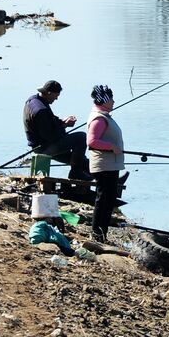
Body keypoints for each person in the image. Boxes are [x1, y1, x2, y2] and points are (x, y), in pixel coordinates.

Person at [23, 80, 90, 181]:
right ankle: (75, 173)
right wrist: (65, 125)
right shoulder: (41, 110)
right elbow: (50, 136)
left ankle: (109, 182)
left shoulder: (33, 100)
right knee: (81, 137)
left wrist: (62, 121)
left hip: (40, 145)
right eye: (56, 95)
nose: (57, 98)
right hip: (44, 147)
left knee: (80, 160)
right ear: (49, 93)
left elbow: (49, 121)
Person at [86, 84, 125, 243]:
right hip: (104, 166)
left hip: (109, 165)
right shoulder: (99, 118)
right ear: (104, 99)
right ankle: (97, 234)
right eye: (111, 98)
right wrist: (112, 147)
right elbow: (92, 141)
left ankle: (101, 235)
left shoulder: (103, 115)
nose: (114, 101)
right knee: (103, 200)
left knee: (108, 201)